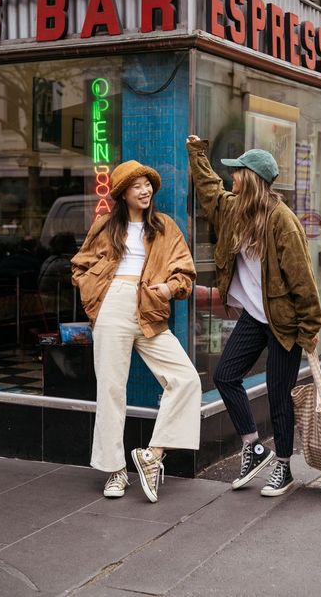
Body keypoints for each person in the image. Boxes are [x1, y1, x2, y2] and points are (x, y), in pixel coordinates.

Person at [186, 136, 321, 497]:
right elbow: (209, 190)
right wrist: (197, 154)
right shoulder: (233, 210)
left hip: (283, 322)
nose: (231, 177)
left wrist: (309, 332)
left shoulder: (282, 221)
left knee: (279, 394)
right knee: (226, 375)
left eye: (237, 172)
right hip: (253, 318)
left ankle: (283, 467)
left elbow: (303, 279)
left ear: (252, 179)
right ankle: (253, 446)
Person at [71, 160, 201, 503]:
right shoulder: (104, 227)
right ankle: (115, 471)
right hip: (112, 305)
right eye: (136, 186)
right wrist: (94, 293)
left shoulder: (164, 227)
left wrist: (170, 289)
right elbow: (80, 264)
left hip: (150, 307)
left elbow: (185, 272)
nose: (144, 191)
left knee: (187, 379)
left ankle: (152, 455)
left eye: (147, 185)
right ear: (123, 194)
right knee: (111, 390)